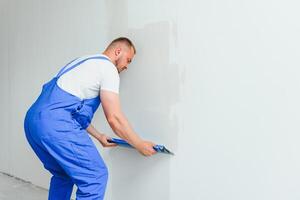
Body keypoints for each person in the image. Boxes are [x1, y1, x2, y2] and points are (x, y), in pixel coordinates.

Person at [23, 37, 157, 200]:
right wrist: (139, 144)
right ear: (118, 52)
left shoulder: (83, 62)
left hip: (33, 123)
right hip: (56, 124)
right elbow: (114, 118)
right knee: (95, 177)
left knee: (63, 175)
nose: (127, 66)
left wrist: (99, 136)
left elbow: (71, 110)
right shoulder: (108, 69)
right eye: (128, 60)